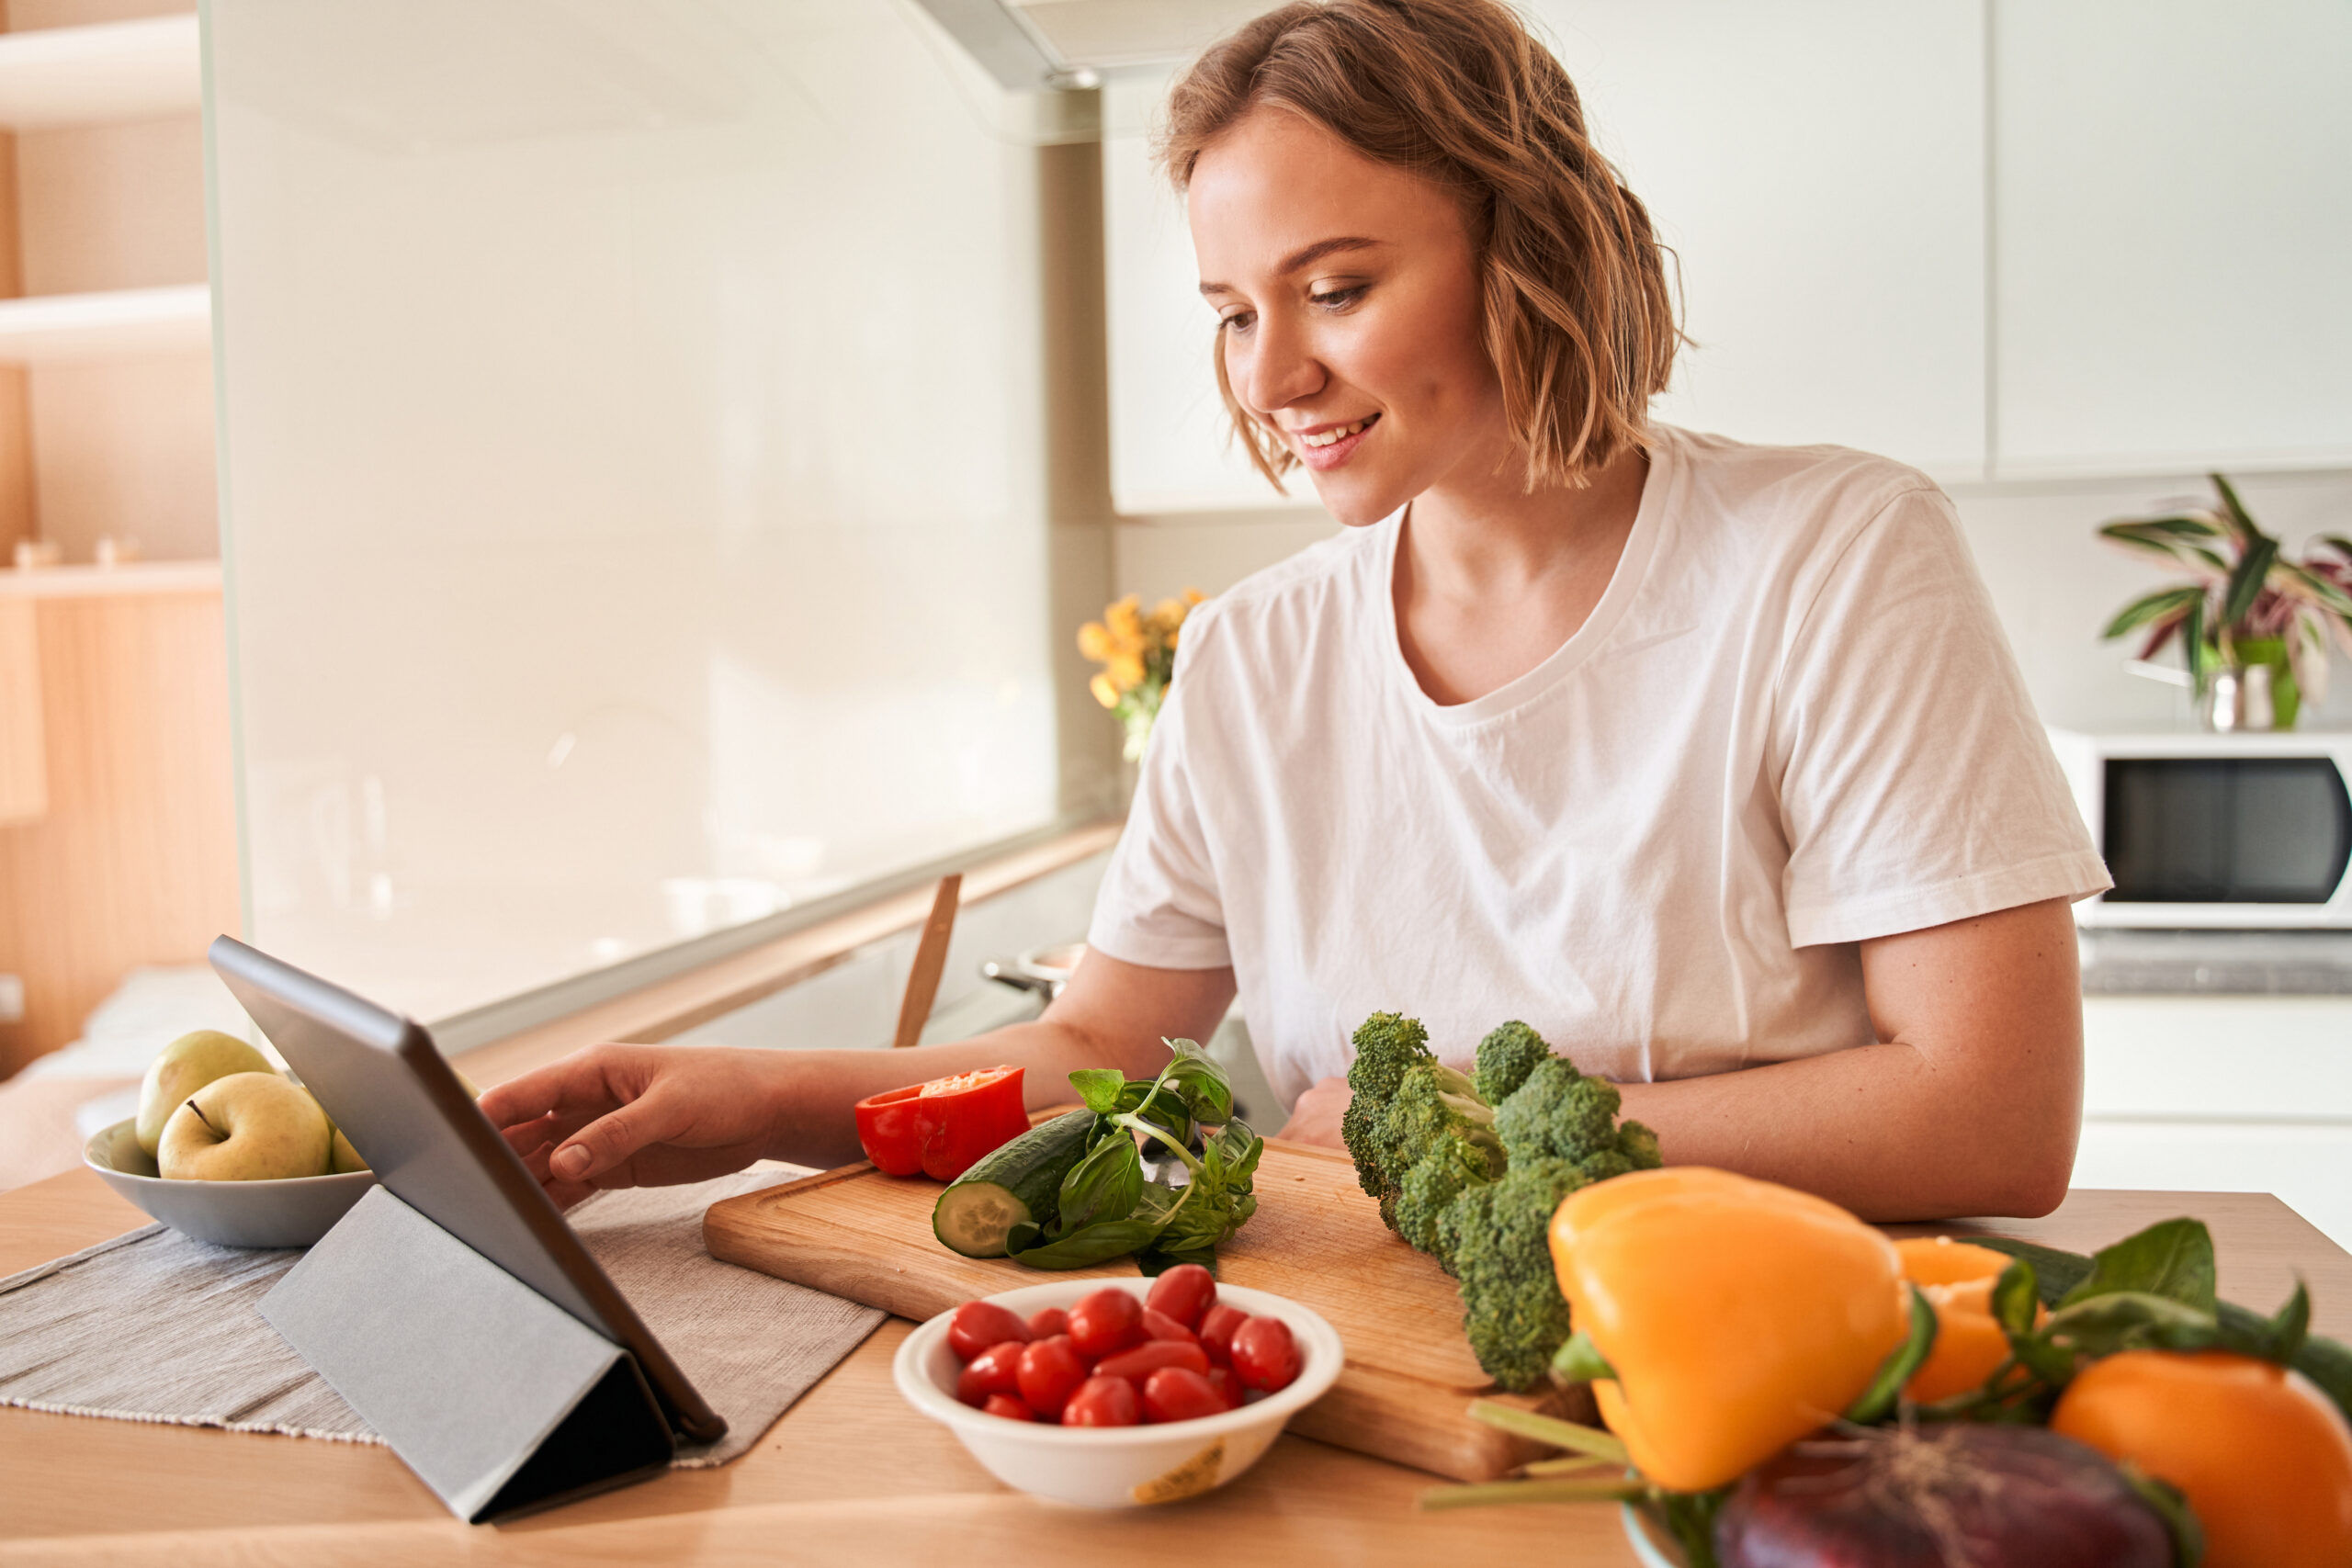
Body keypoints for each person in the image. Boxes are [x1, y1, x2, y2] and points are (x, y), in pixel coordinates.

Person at [481, 0, 2108, 1222]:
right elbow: (1099, 1054)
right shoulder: (1254, 654)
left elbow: (1993, 1117)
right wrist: (758, 1099)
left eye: (1335, 290)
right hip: (1362, 1361)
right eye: (1236, 311)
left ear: (1525, 243)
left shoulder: (1829, 552)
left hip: (1772, 1367)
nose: (1270, 380)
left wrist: (1473, 1127)